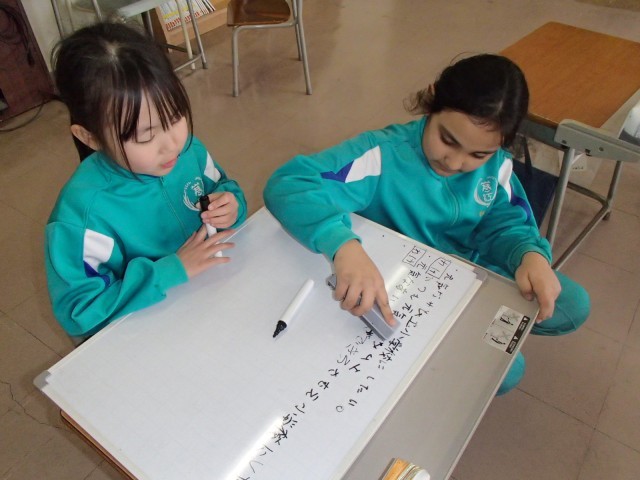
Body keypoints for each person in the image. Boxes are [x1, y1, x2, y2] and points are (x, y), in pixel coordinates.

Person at [264, 54, 590, 395]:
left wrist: (528, 254)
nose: (456, 162)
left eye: (478, 155)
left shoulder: (498, 165)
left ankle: (467, 334)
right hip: (404, 284)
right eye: (448, 140)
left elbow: (506, 220)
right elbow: (290, 182)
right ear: (433, 100)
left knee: (572, 305)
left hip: (468, 268)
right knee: (506, 370)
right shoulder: (384, 154)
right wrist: (342, 244)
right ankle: (448, 346)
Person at [45, 22, 247, 338]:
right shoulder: (82, 215)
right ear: (90, 137)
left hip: (212, 302)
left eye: (175, 117)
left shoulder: (188, 151)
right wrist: (170, 271)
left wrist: (232, 205)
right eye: (145, 136)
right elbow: (80, 311)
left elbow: (222, 187)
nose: (172, 144)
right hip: (151, 333)